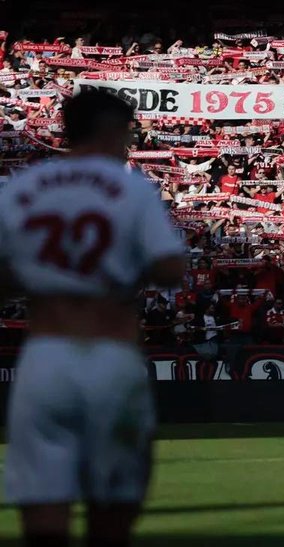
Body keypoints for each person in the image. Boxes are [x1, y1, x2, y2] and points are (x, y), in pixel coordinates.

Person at [0, 91, 187, 546]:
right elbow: (170, 268)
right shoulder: (129, 187)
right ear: (112, 130)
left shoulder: (23, 187)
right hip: (110, 353)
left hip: (44, 354)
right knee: (114, 506)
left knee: (43, 508)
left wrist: (45, 274)